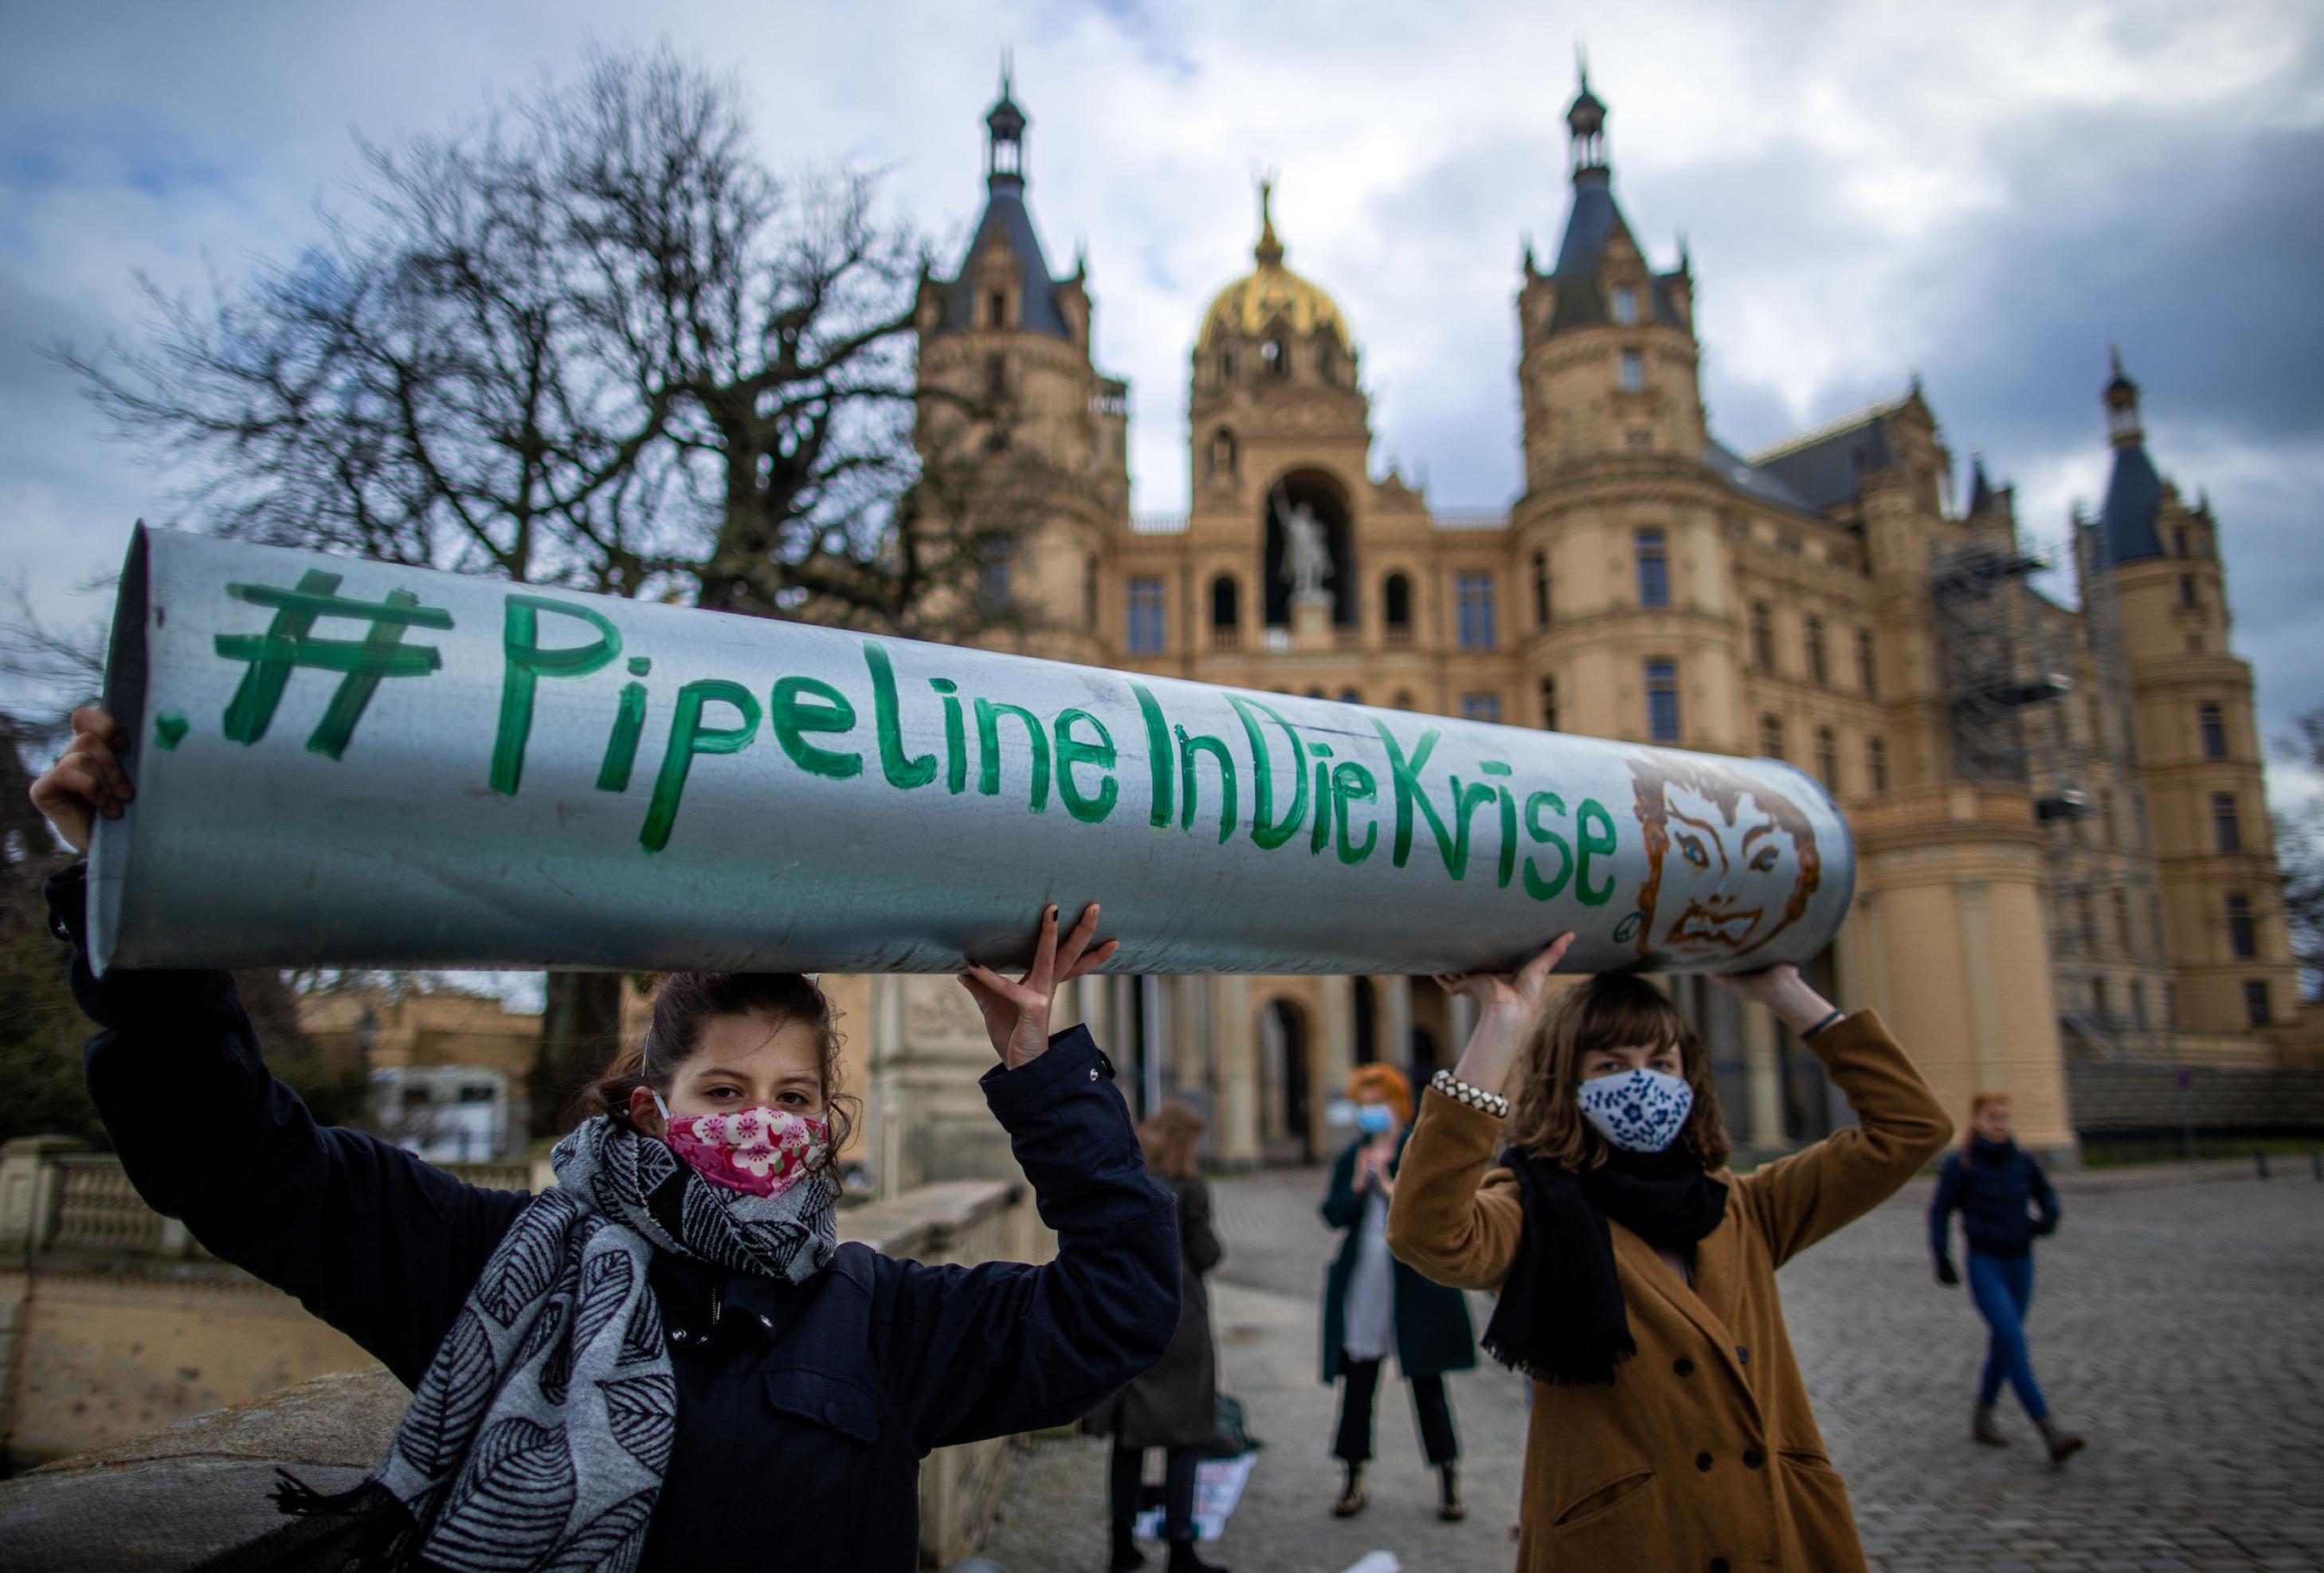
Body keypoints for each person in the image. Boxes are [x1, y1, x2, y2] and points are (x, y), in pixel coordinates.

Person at [29, 706, 1180, 1573]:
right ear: (652, 1104)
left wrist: (1041, 1069)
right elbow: (232, 1160)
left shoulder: (884, 1319)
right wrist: (132, 892)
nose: (760, 1122)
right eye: (725, 1087)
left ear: (824, 1127)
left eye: (791, 1097)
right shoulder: (496, 1265)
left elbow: (1119, 1305)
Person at [1386, 936, 1953, 1571]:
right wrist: (1501, 1024)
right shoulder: (1531, 1209)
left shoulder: (1746, 1207)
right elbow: (1426, 1234)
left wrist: (1782, 992)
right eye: (1609, 1065)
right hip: (1631, 1544)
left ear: (1689, 1076)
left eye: (1661, 1062)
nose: (1641, 1082)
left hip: (1774, 1534)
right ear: (1567, 1082)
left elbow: (1911, 1129)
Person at [1319, 1063, 1476, 1524]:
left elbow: (1436, 1213)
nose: (1371, 1111)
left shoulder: (1416, 1150)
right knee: (1359, 1383)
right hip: (1365, 1282)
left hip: (1414, 1284)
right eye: (1363, 1103)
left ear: (1398, 1104)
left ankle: (1449, 1480)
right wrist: (1354, 1187)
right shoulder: (1354, 1155)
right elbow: (1333, 1214)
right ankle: (1353, 1477)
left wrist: (1389, 1190)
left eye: (1377, 1101)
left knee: (1428, 1385)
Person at [1093, 1100, 1229, 1573]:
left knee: (1130, 1441)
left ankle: (1121, 1546)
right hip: (1182, 1320)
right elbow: (1205, 1253)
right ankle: (1180, 1549)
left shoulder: (1132, 1186)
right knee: (1185, 1438)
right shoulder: (1189, 1190)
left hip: (1133, 1315)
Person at [1929, 1091, 2085, 1463]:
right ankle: (2048, 1428)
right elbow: (1940, 1211)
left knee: (2004, 1342)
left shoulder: (2022, 1162)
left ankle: (1982, 1416)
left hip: (2021, 1264)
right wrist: (1942, 1256)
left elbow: (2046, 1197)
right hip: (1986, 1265)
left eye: (2004, 1118)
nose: (1999, 1125)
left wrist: (2046, 1220)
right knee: (2013, 1339)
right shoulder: (1961, 1165)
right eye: (1992, 1118)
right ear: (1977, 1121)